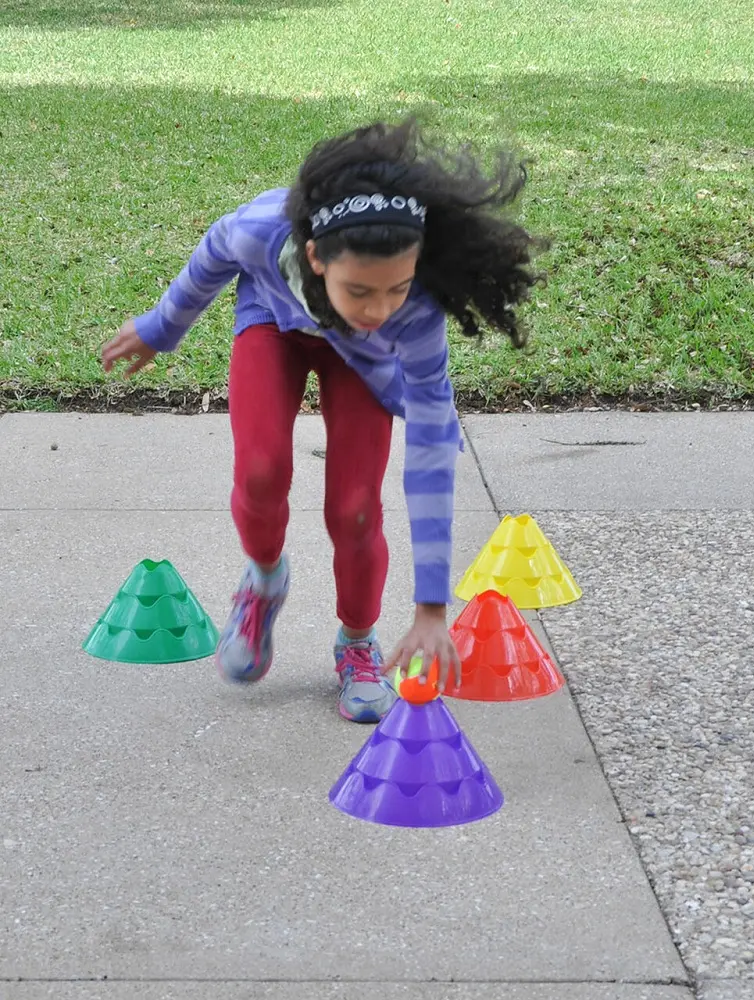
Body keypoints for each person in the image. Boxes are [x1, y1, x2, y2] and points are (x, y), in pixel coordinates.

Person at [101, 117, 546, 723]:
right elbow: (211, 256)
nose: (379, 307)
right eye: (360, 290)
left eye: (397, 288)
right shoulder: (261, 232)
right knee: (261, 470)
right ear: (315, 256)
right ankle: (263, 581)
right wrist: (160, 328)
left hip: (365, 364)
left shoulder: (410, 316)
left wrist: (431, 611)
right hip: (273, 323)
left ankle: (357, 643)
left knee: (355, 508)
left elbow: (432, 456)